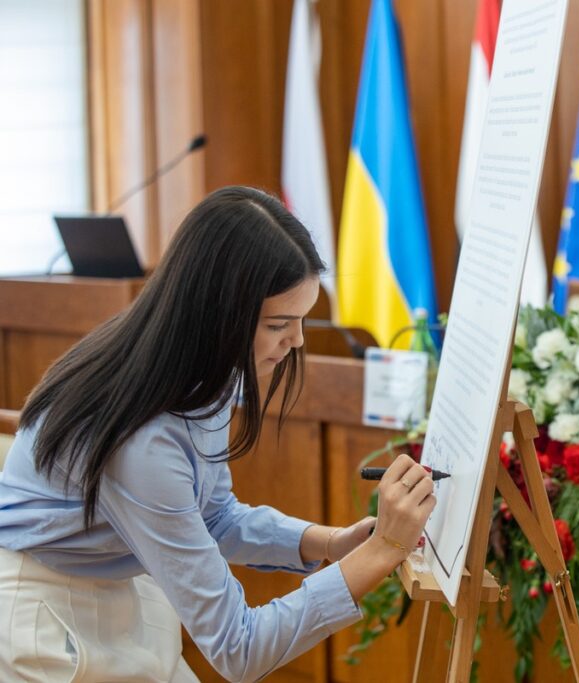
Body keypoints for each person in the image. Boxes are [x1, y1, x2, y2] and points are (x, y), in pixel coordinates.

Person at [0, 186, 436, 682]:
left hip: (115, 591)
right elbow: (239, 649)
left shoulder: (198, 368)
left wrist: (330, 543)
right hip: (48, 621)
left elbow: (213, 515)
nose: (296, 341)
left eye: (302, 320)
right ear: (218, 315)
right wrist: (383, 551)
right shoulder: (144, 441)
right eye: (280, 324)